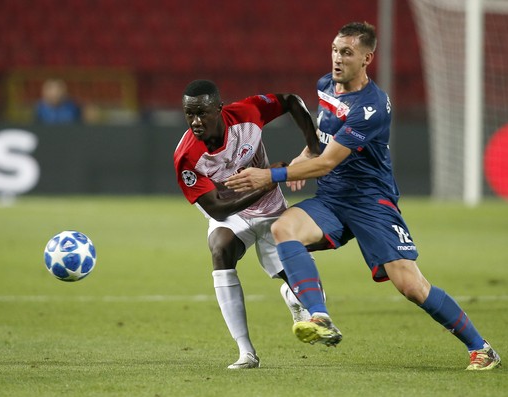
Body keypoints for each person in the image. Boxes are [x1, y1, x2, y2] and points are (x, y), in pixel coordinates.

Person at [225, 22, 501, 371]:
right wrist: (302, 157)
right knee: (284, 228)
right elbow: (322, 142)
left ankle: (481, 348)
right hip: (332, 199)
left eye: (347, 53)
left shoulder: (371, 107)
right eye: (335, 50)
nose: (337, 59)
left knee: (410, 285)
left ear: (367, 58)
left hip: (371, 203)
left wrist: (271, 175)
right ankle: (319, 315)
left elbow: (328, 162)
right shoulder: (327, 86)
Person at [173, 79, 318, 369]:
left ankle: (292, 295)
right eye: (190, 114)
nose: (196, 121)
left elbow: (290, 99)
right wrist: (267, 182)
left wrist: (313, 146)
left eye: (202, 113)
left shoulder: (247, 113)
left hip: (273, 212)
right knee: (220, 247)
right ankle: (246, 352)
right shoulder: (186, 156)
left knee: (312, 295)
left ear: (219, 108)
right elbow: (216, 208)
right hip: (232, 215)